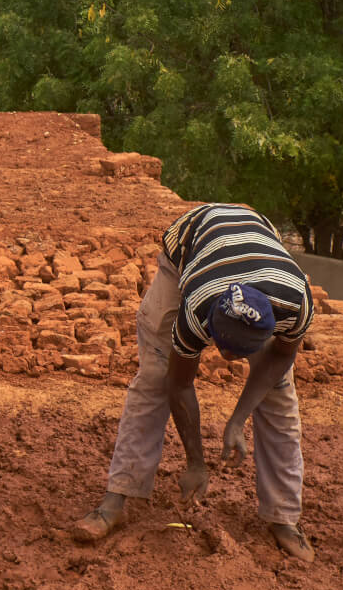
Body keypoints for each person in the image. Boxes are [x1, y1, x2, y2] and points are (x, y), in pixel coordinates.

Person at [68, 202, 318, 561]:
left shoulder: (295, 304)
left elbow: (279, 357)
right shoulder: (197, 308)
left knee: (279, 394)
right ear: (211, 327)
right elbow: (179, 383)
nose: (228, 359)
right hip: (188, 245)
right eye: (222, 347)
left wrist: (237, 420)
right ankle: (117, 497)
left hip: (258, 247)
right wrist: (196, 463)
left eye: (241, 352)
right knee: (154, 376)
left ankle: (284, 518)